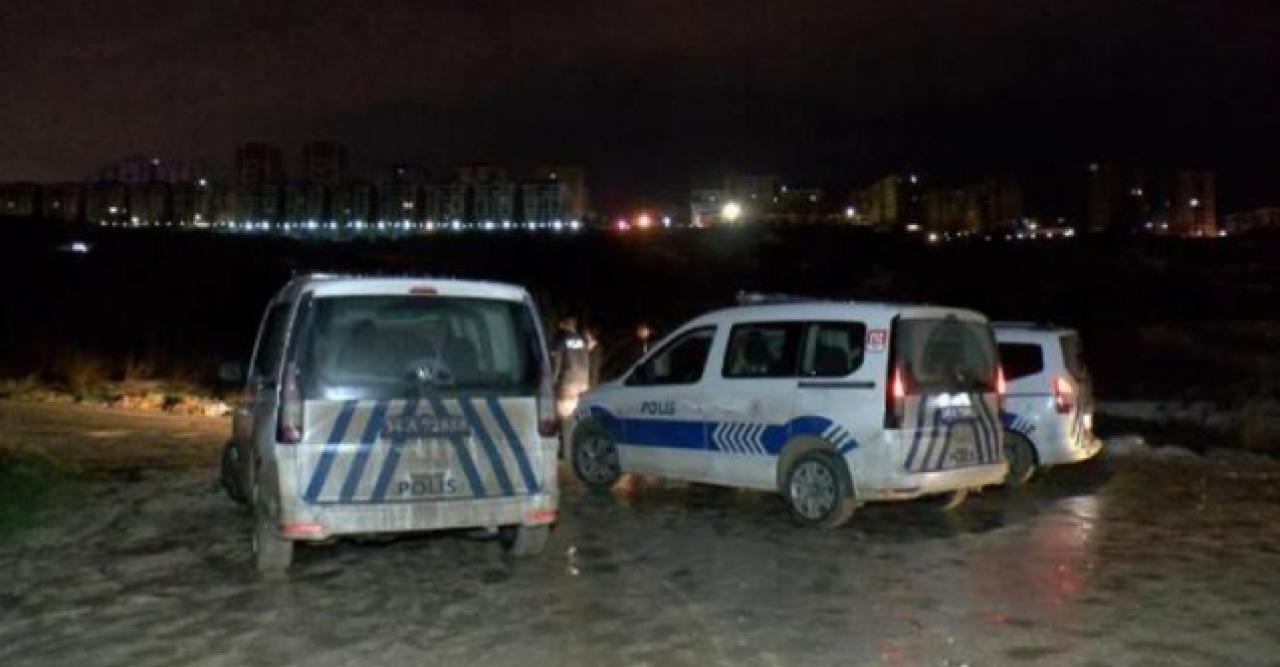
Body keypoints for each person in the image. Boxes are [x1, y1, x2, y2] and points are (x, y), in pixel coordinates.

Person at [550, 316, 591, 419]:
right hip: (583, 385)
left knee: (564, 419)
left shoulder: (561, 341)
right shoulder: (583, 341)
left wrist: (553, 382)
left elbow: (556, 363)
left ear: (562, 325)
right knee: (577, 418)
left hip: (567, 386)